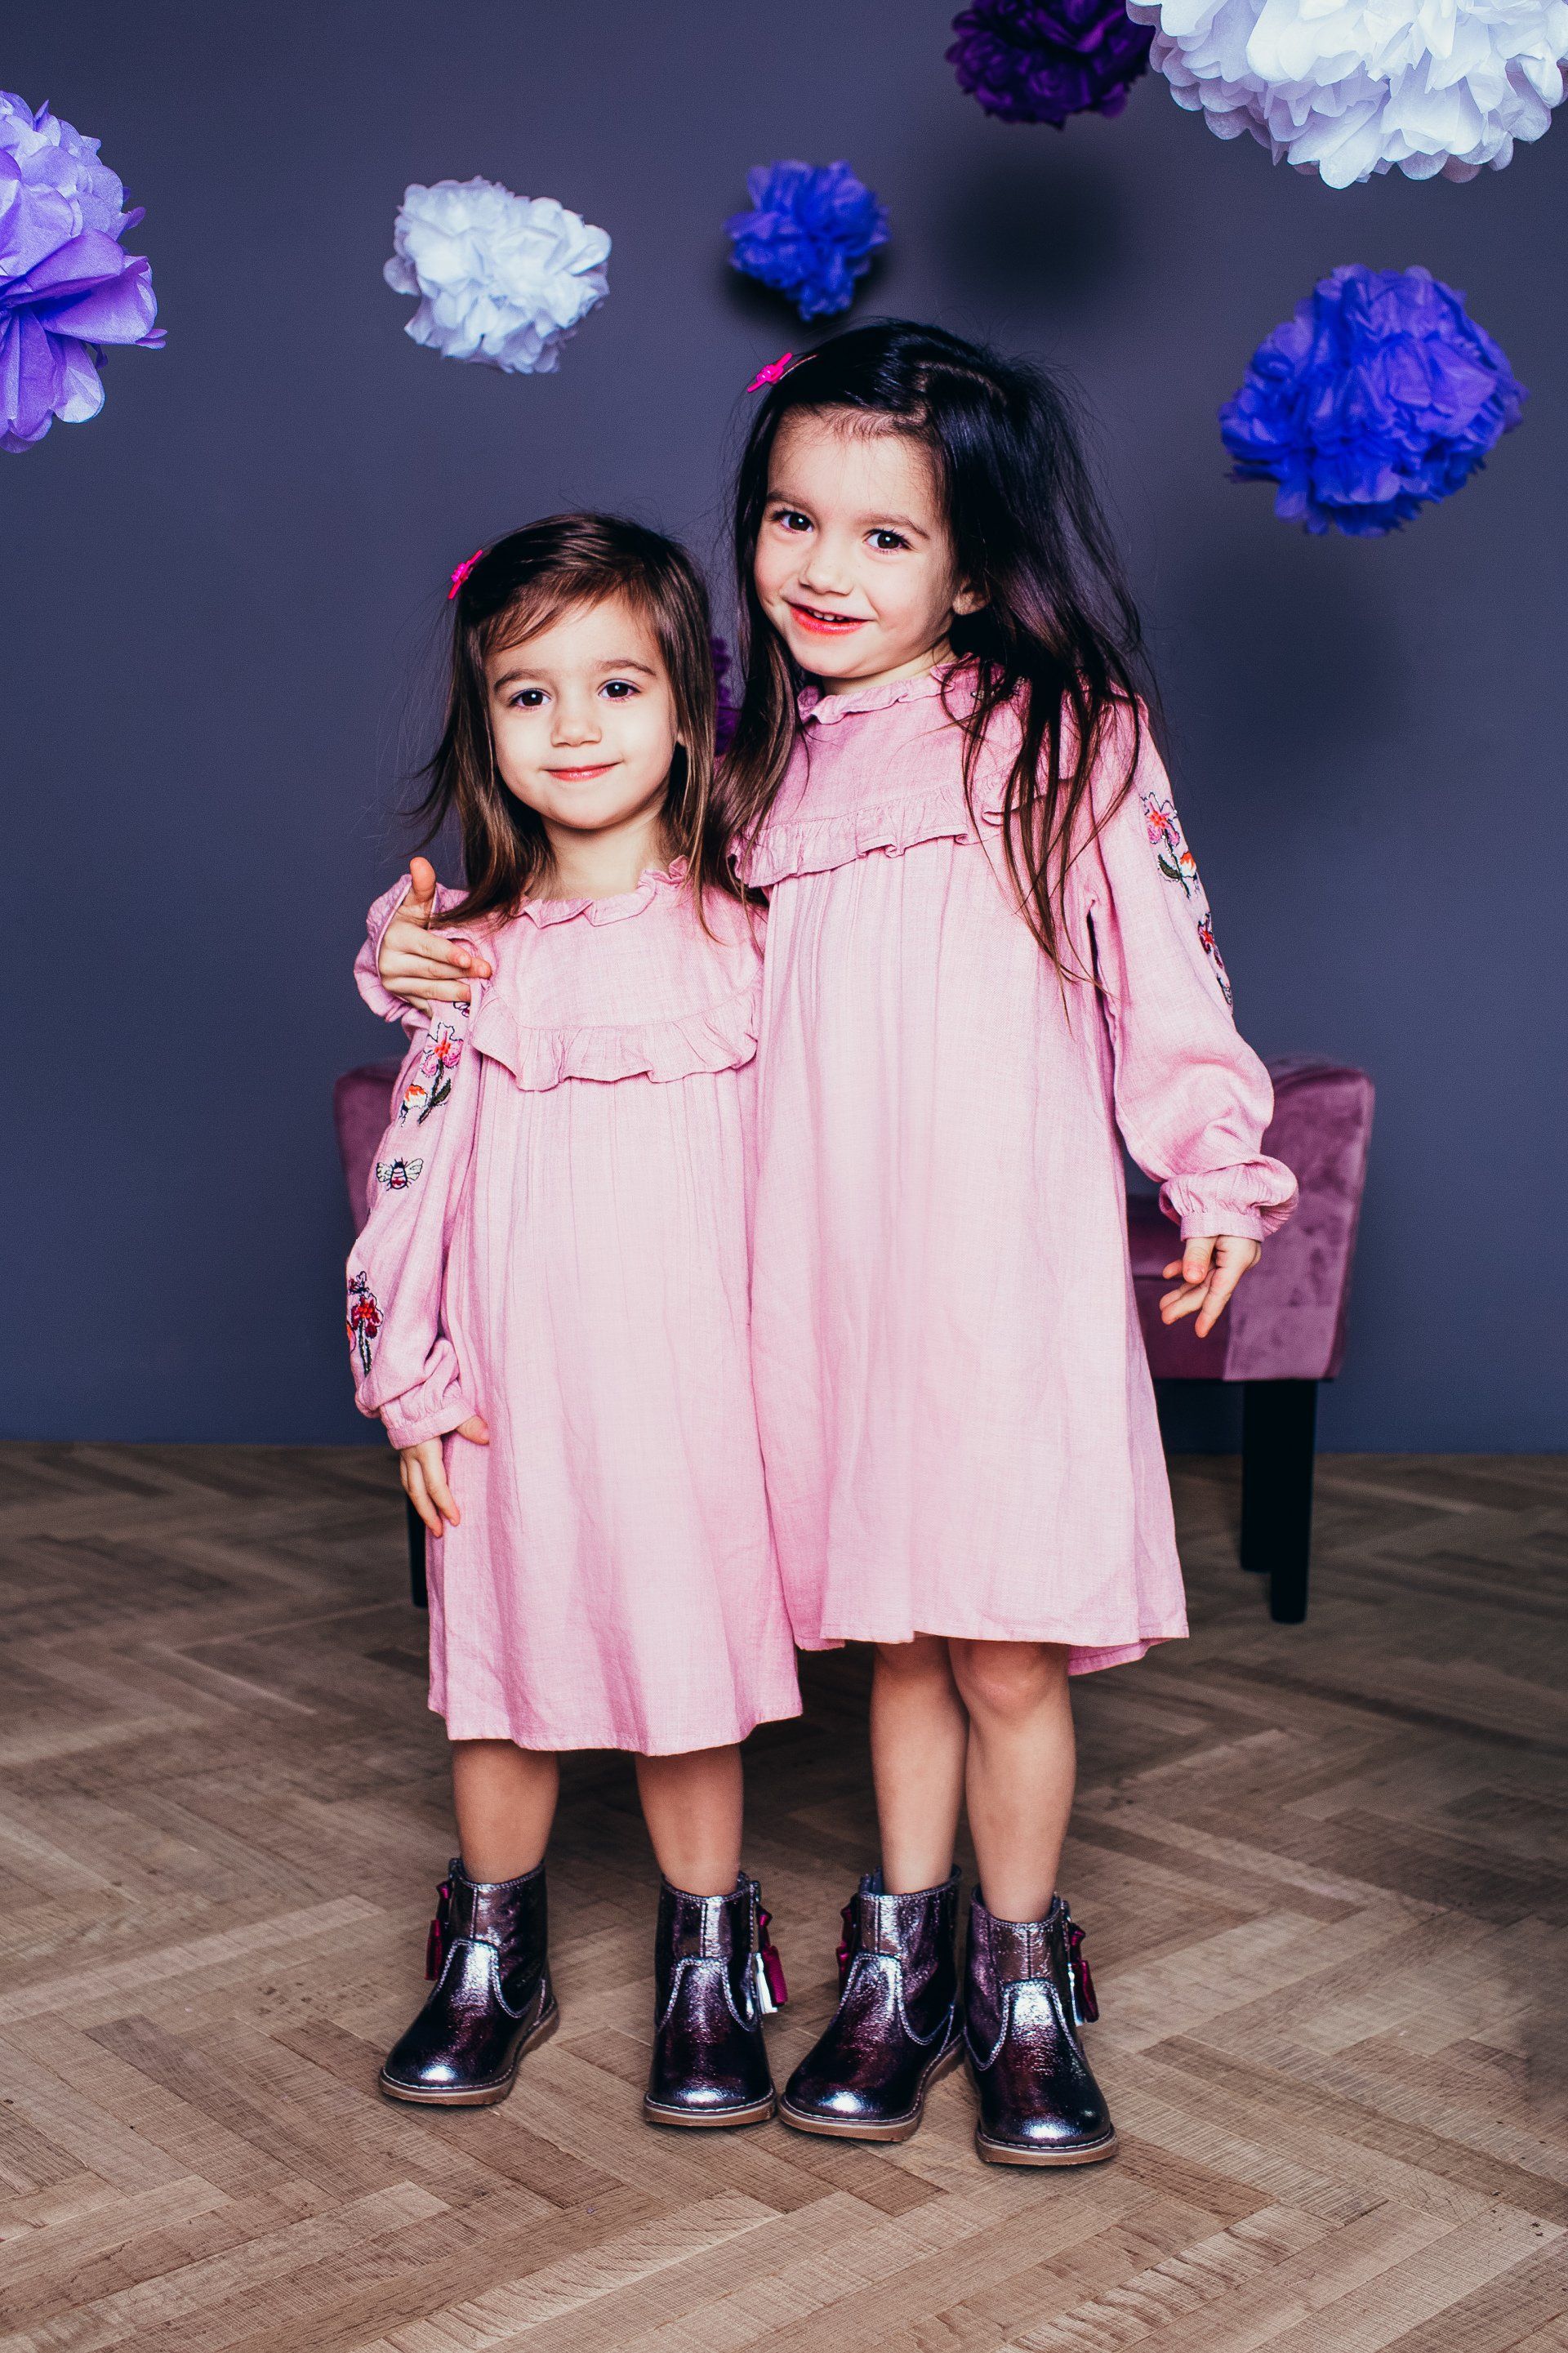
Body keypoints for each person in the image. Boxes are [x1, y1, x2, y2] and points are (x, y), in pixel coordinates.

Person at [368, 324, 1298, 2170]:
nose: (824, 566)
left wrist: (1216, 1173)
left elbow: (1168, 977)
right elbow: (572, 917)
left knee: (1010, 1651)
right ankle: (897, 1963)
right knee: (902, 1649)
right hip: (816, 1282)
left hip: (1003, 1272)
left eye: (887, 535)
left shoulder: (1070, 741)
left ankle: (1021, 1983)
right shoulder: (752, 776)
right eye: (794, 518)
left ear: (976, 564)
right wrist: (404, 952)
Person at [347, 513, 797, 2130]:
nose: (577, 725)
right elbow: (410, 1181)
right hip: (512, 1388)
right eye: (529, 694)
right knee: (500, 1679)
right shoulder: (467, 959)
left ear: (690, 708)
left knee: (687, 1677)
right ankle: (493, 1953)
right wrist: (408, 1380)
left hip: (701, 1391)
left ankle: (707, 1954)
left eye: (619, 684)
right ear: (485, 727)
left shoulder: (760, 936)